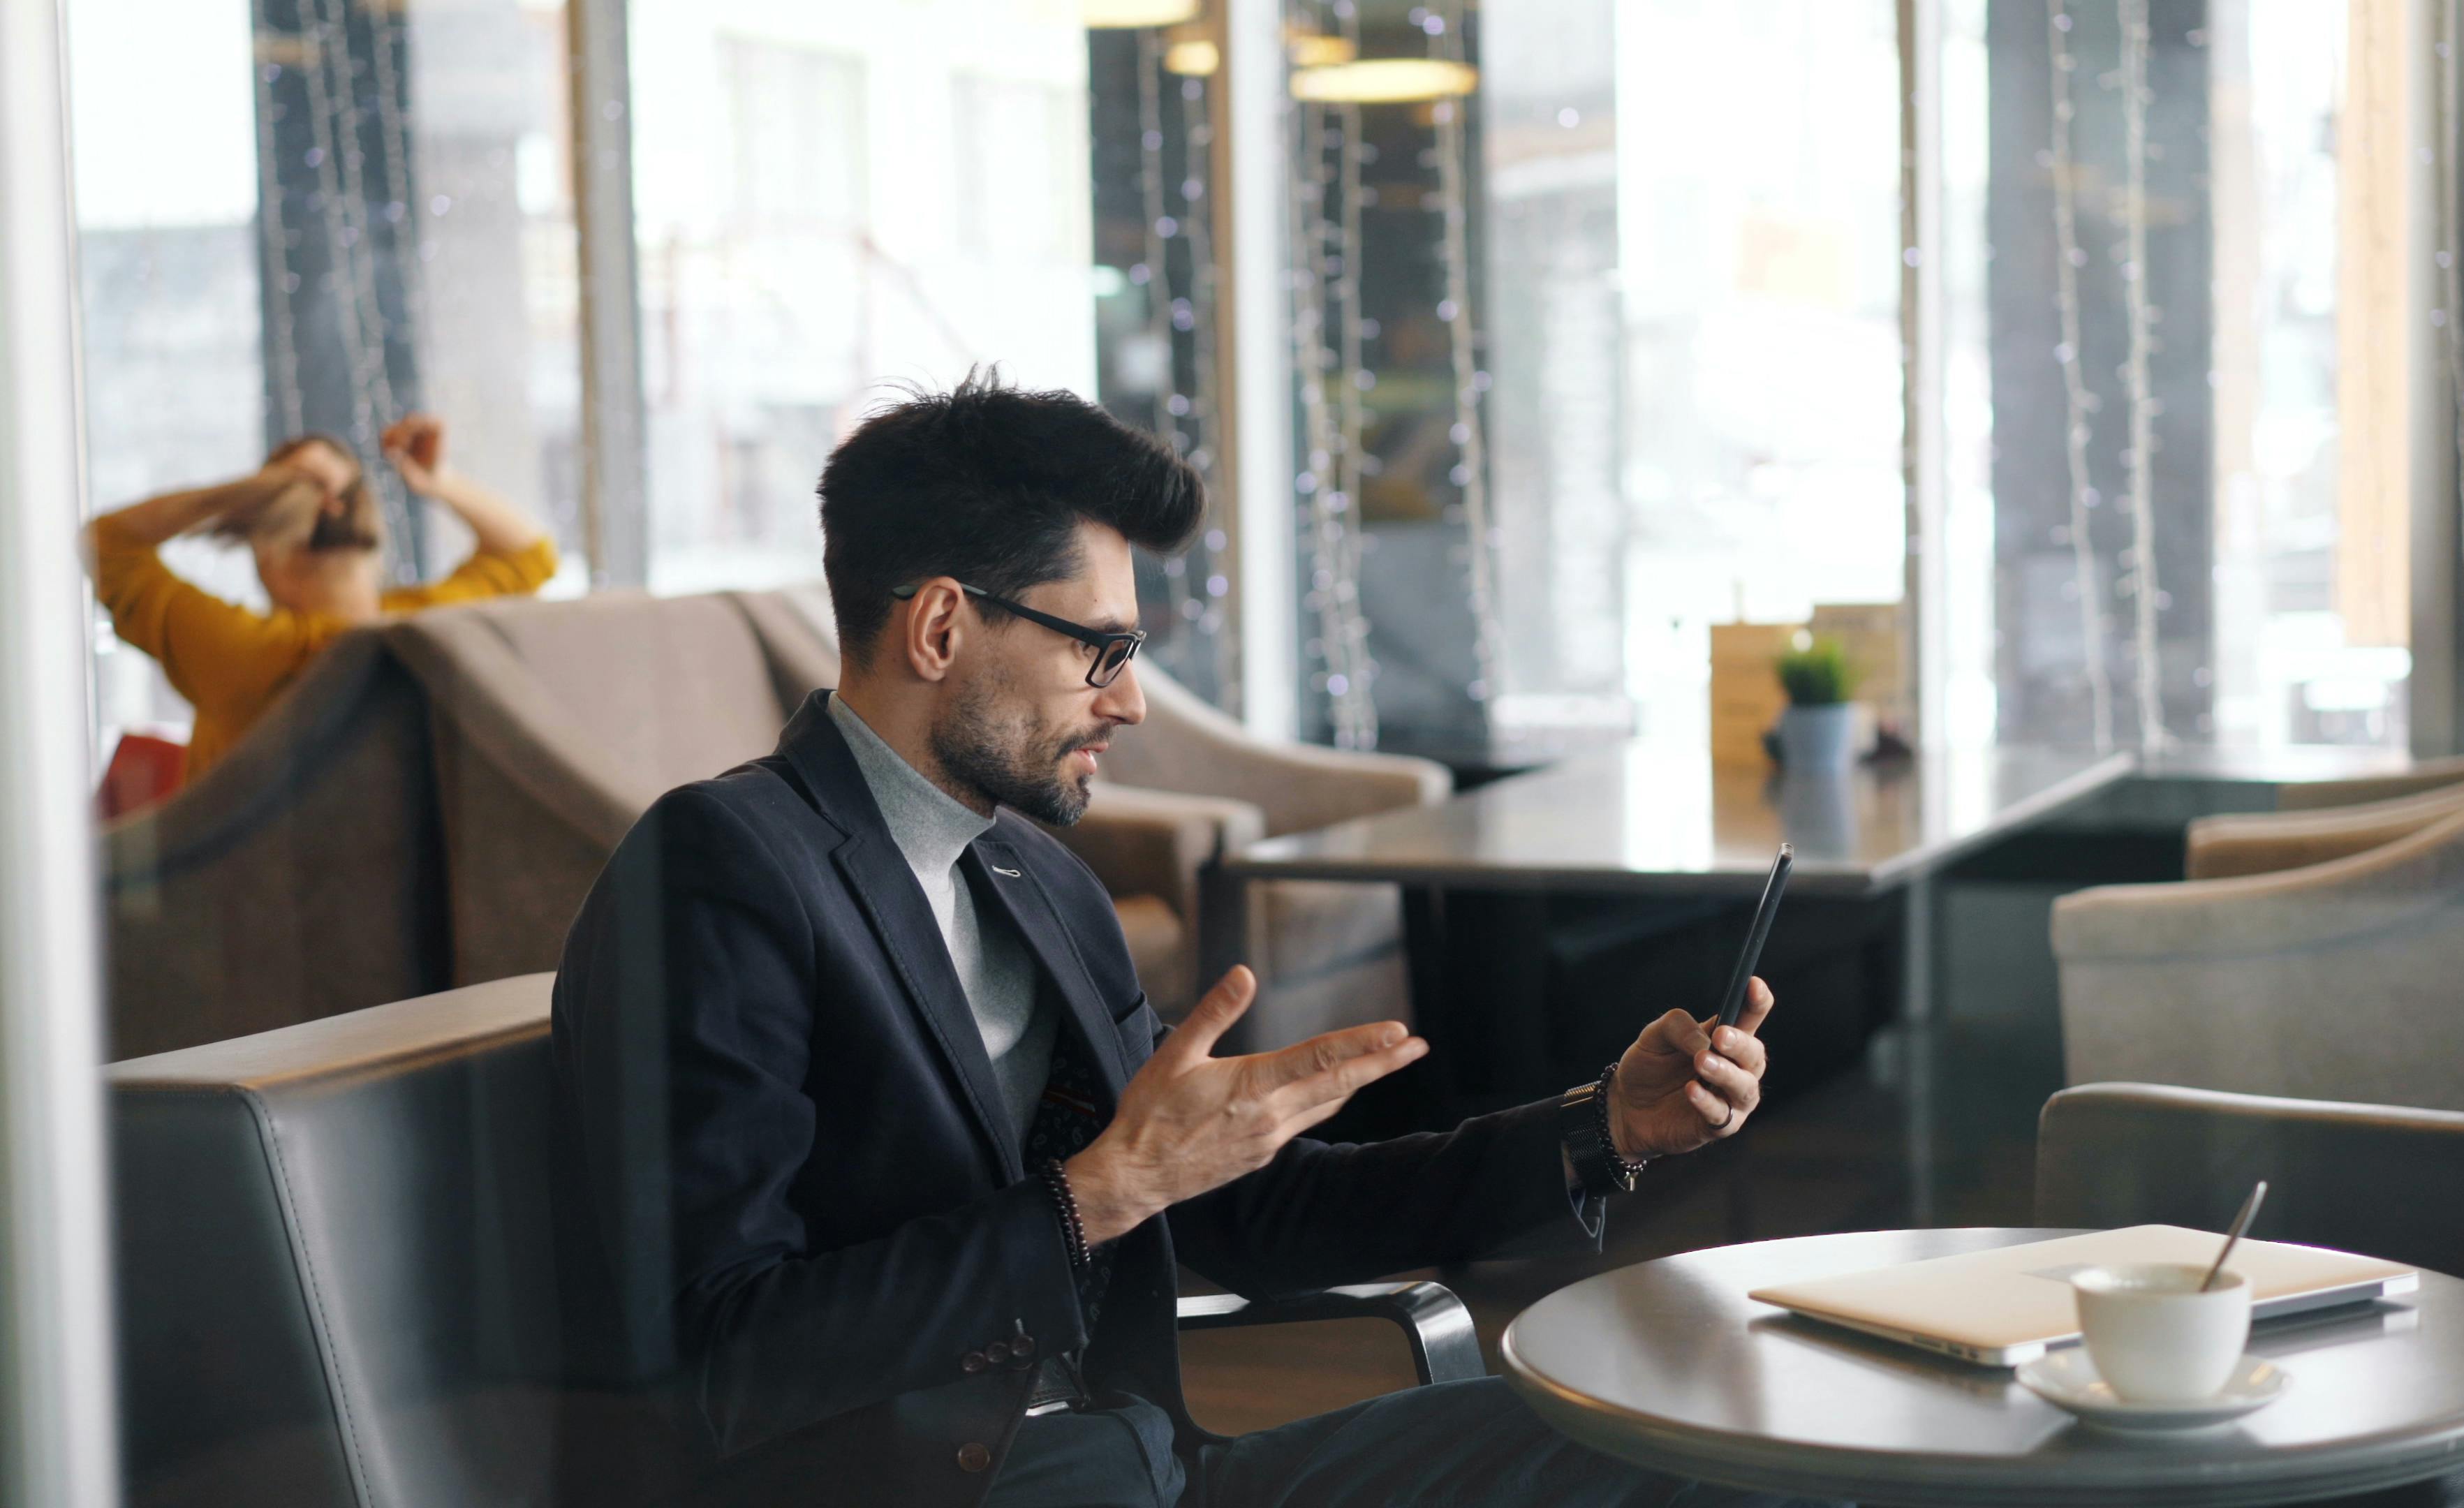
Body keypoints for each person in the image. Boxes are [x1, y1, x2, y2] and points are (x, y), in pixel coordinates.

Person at [550, 375, 1807, 1508]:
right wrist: (1098, 1196)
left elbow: (1252, 1215)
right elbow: (716, 1352)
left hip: (1151, 1466)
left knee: (1694, 1449)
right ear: (940, 628)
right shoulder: (724, 870)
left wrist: (1600, 1130)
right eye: (1098, 648)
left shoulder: (1035, 881)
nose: (1132, 700)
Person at [87, 414, 556, 783]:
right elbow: (531, 554)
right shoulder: (430, 626)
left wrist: (244, 497)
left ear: (266, 548)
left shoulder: (244, 654)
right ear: (375, 535)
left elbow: (107, 543)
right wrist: (440, 481)